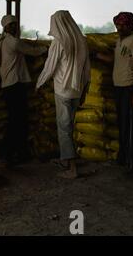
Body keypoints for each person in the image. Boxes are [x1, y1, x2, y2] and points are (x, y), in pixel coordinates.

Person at [36, 10, 91, 179]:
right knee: (69, 126)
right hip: (77, 90)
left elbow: (50, 67)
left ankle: (72, 168)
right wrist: (85, 90)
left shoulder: (59, 42)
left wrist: (39, 83)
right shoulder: (82, 40)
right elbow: (87, 69)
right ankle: (66, 160)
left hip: (63, 91)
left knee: (64, 129)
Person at [0, 15, 48, 165]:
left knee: (14, 119)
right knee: (19, 120)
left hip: (7, 86)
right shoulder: (14, 42)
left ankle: (8, 151)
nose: (14, 27)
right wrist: (46, 48)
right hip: (15, 85)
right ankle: (13, 151)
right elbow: (32, 51)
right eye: (11, 25)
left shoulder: (0, 43)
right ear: (5, 27)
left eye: (15, 25)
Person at [96, 12, 133, 176]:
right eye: (118, 25)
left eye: (123, 25)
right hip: (119, 88)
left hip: (129, 88)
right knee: (121, 123)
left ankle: (132, 164)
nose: (119, 28)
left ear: (131, 25)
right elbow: (116, 61)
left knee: (129, 126)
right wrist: (96, 55)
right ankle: (123, 157)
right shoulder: (119, 41)